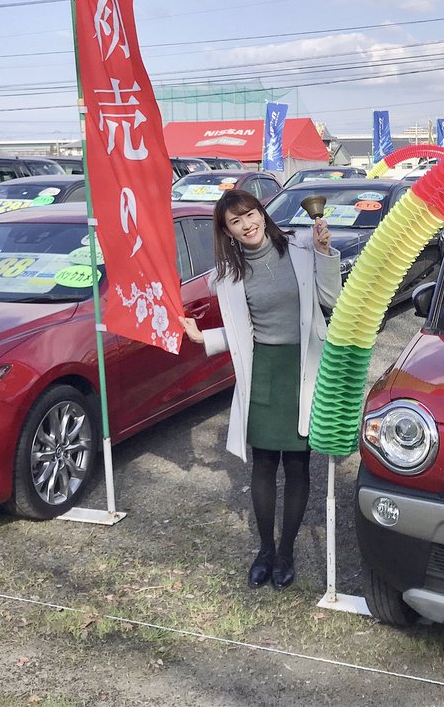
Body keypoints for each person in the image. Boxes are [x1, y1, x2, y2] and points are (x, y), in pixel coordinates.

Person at [180, 189, 341, 590]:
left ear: (262, 214)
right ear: (227, 231)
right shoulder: (228, 277)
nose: (247, 225)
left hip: (304, 366)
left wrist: (325, 253)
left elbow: (331, 299)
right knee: (265, 463)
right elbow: (240, 332)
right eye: (236, 222)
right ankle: (265, 550)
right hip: (263, 368)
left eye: (250, 215)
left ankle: (286, 550)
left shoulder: (302, 253)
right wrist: (205, 339)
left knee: (299, 464)